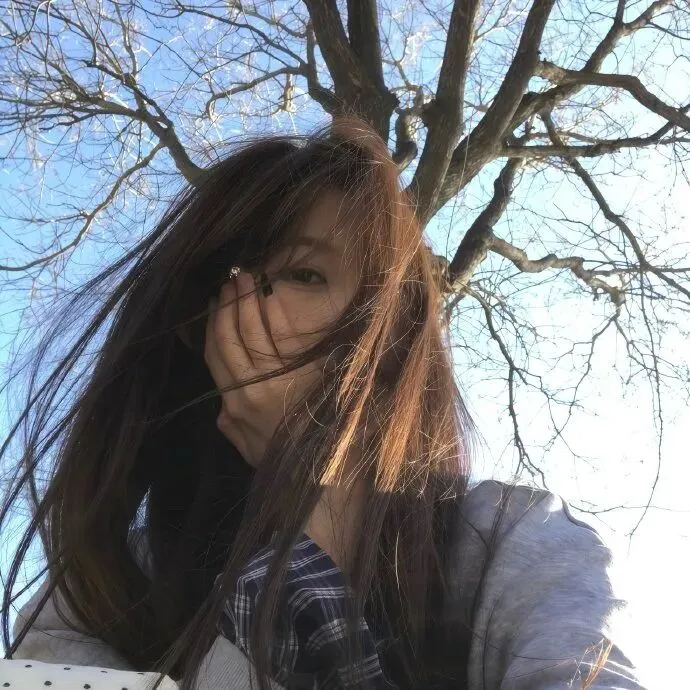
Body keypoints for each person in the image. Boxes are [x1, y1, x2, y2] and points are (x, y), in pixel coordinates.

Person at [1, 119, 645, 690]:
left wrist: (323, 488)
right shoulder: (101, 588)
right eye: (220, 284)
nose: (246, 307)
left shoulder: (508, 543)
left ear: (395, 336)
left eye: (304, 274)